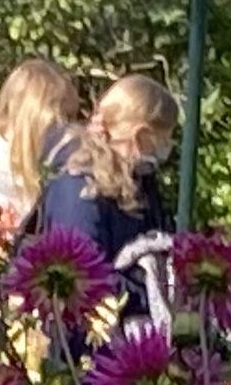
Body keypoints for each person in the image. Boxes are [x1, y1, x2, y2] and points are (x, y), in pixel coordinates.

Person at [40, 72, 178, 280]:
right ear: (140, 136)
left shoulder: (140, 183)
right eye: (163, 140)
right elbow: (81, 278)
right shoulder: (78, 190)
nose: (165, 149)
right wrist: (145, 290)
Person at [0, 57, 85, 225]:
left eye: (68, 120)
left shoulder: (56, 170)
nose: (64, 130)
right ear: (33, 119)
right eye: (58, 122)